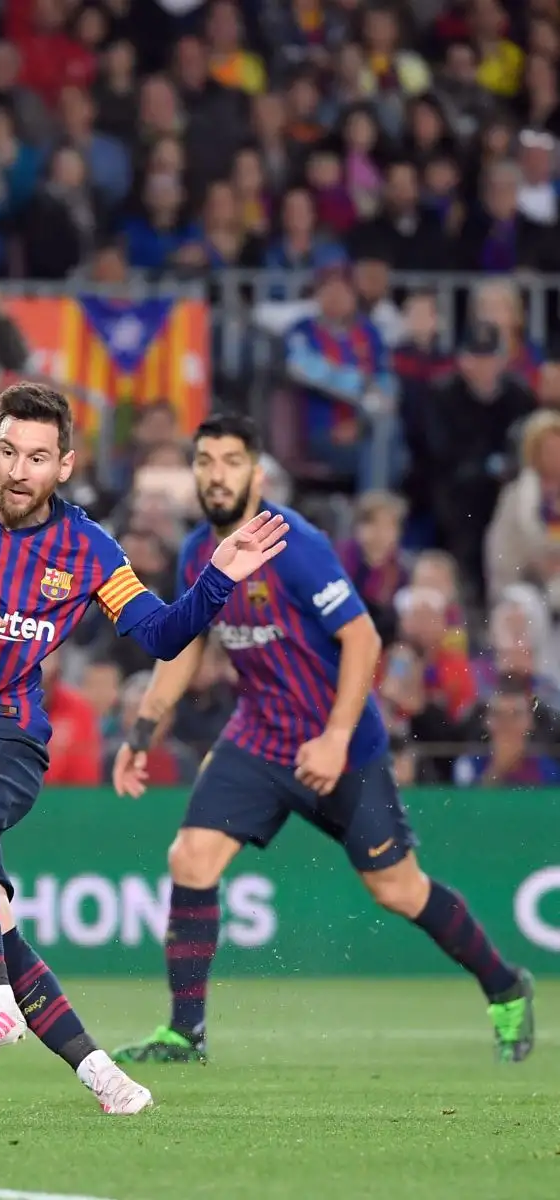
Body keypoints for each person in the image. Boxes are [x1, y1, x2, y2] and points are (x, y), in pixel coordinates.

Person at [0, 382, 288, 1115]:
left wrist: (216, 580)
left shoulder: (87, 549)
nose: (20, 470)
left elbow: (160, 634)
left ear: (65, 465)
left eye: (38, 457)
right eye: (9, 451)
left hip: (7, 730)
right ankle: (104, 1076)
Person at [110, 414, 536, 1066]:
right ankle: (184, 1033)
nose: (216, 475)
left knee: (397, 889)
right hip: (259, 736)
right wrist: (144, 729)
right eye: (205, 461)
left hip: (342, 744)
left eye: (230, 461)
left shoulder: (295, 545)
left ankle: (505, 985)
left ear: (256, 473)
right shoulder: (198, 551)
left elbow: (362, 637)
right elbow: (186, 642)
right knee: (190, 858)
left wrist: (336, 739)